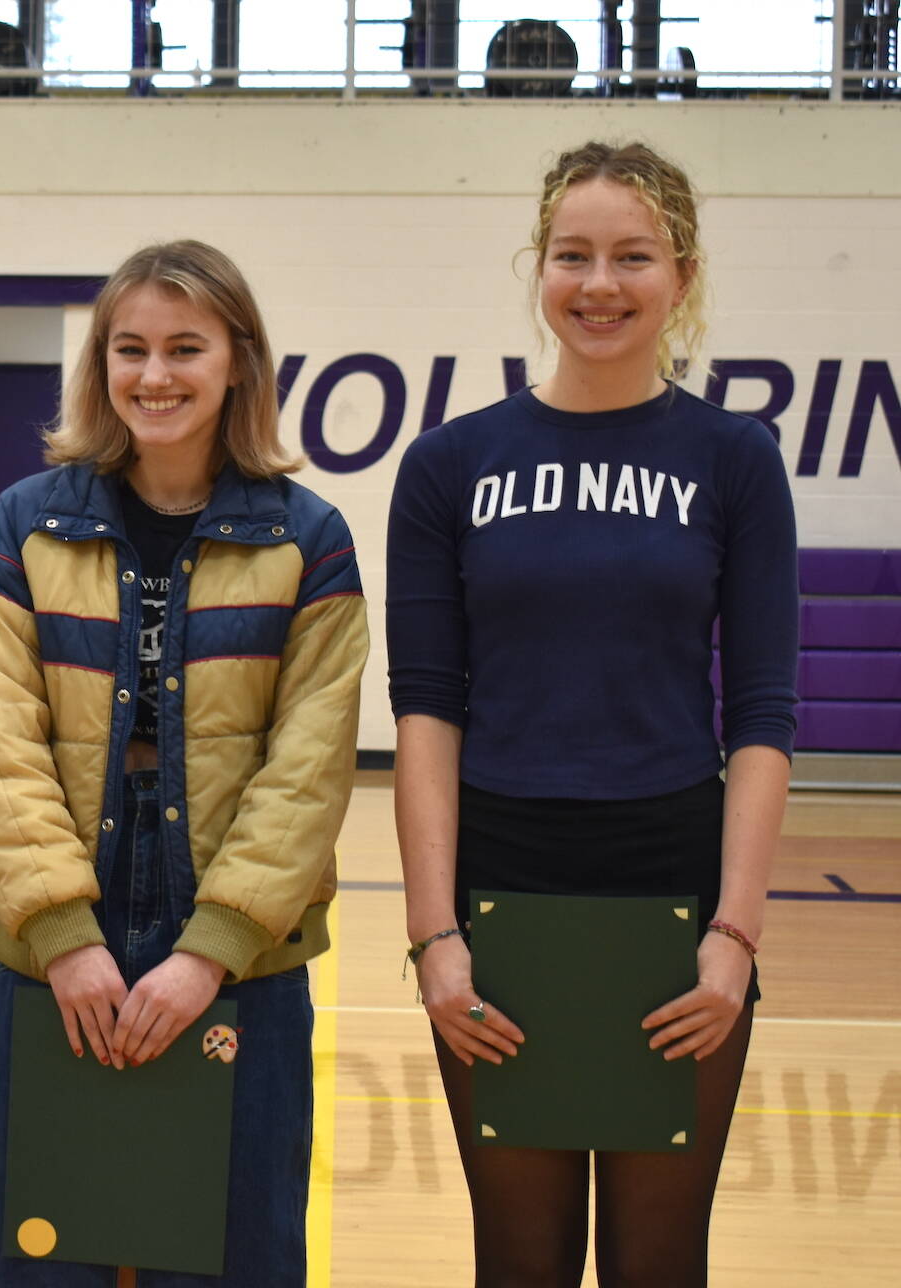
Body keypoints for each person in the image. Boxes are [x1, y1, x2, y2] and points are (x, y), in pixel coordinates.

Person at [387, 141, 798, 1287]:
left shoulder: (735, 458)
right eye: (573, 255)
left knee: (659, 1264)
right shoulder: (449, 463)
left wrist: (735, 934)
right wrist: (435, 935)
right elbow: (425, 712)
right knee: (518, 1262)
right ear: (539, 265)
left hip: (675, 891)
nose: (600, 284)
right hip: (499, 891)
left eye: (633, 256)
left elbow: (763, 713)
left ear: (683, 274)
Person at [0, 240, 368, 1286]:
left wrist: (210, 948)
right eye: (130, 349)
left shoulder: (306, 537)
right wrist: (60, 932)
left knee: (238, 1257)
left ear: (239, 361)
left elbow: (309, 765)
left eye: (187, 347)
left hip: (239, 965)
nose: (156, 375)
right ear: (101, 366)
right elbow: (0, 746)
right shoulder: (25, 521)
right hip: (60, 959)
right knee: (53, 1256)